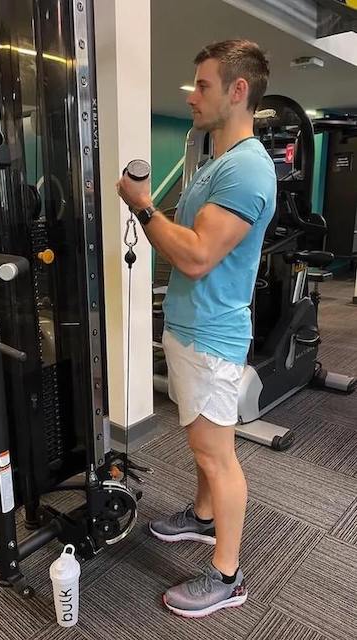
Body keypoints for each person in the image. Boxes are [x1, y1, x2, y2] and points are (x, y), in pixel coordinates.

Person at [116, 39, 276, 618]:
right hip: (191, 326)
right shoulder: (216, 162)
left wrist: (141, 205)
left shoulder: (247, 168)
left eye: (203, 84)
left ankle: (227, 577)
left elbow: (196, 257)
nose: (192, 95)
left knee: (217, 455)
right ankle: (203, 519)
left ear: (238, 90)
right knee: (202, 445)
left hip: (211, 333)